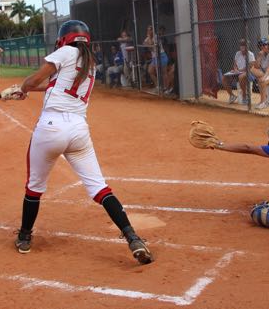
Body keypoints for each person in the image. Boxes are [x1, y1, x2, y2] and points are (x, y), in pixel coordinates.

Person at [11, 20, 153, 265]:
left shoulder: (65, 52)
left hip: (51, 128)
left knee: (35, 186)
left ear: (65, 38)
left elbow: (35, 81)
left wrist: (24, 87)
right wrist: (25, 90)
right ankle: (133, 237)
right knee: (100, 188)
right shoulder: (91, 61)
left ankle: (24, 238)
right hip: (78, 131)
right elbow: (57, 86)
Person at [222, 39, 255, 105]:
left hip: (247, 72)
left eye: (244, 45)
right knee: (224, 78)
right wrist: (235, 69)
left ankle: (244, 97)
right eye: (241, 45)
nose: (242, 47)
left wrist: (239, 71)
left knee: (241, 77)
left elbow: (250, 67)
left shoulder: (250, 54)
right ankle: (232, 95)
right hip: (237, 72)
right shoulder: (238, 53)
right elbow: (235, 64)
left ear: (247, 46)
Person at [144, 25, 169, 89]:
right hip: (155, 57)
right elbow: (145, 44)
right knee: (150, 71)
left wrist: (149, 38)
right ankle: (158, 85)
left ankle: (166, 88)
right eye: (148, 30)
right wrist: (148, 42)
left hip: (161, 55)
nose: (149, 31)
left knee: (164, 73)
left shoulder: (156, 36)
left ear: (153, 31)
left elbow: (151, 44)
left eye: (150, 30)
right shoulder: (148, 38)